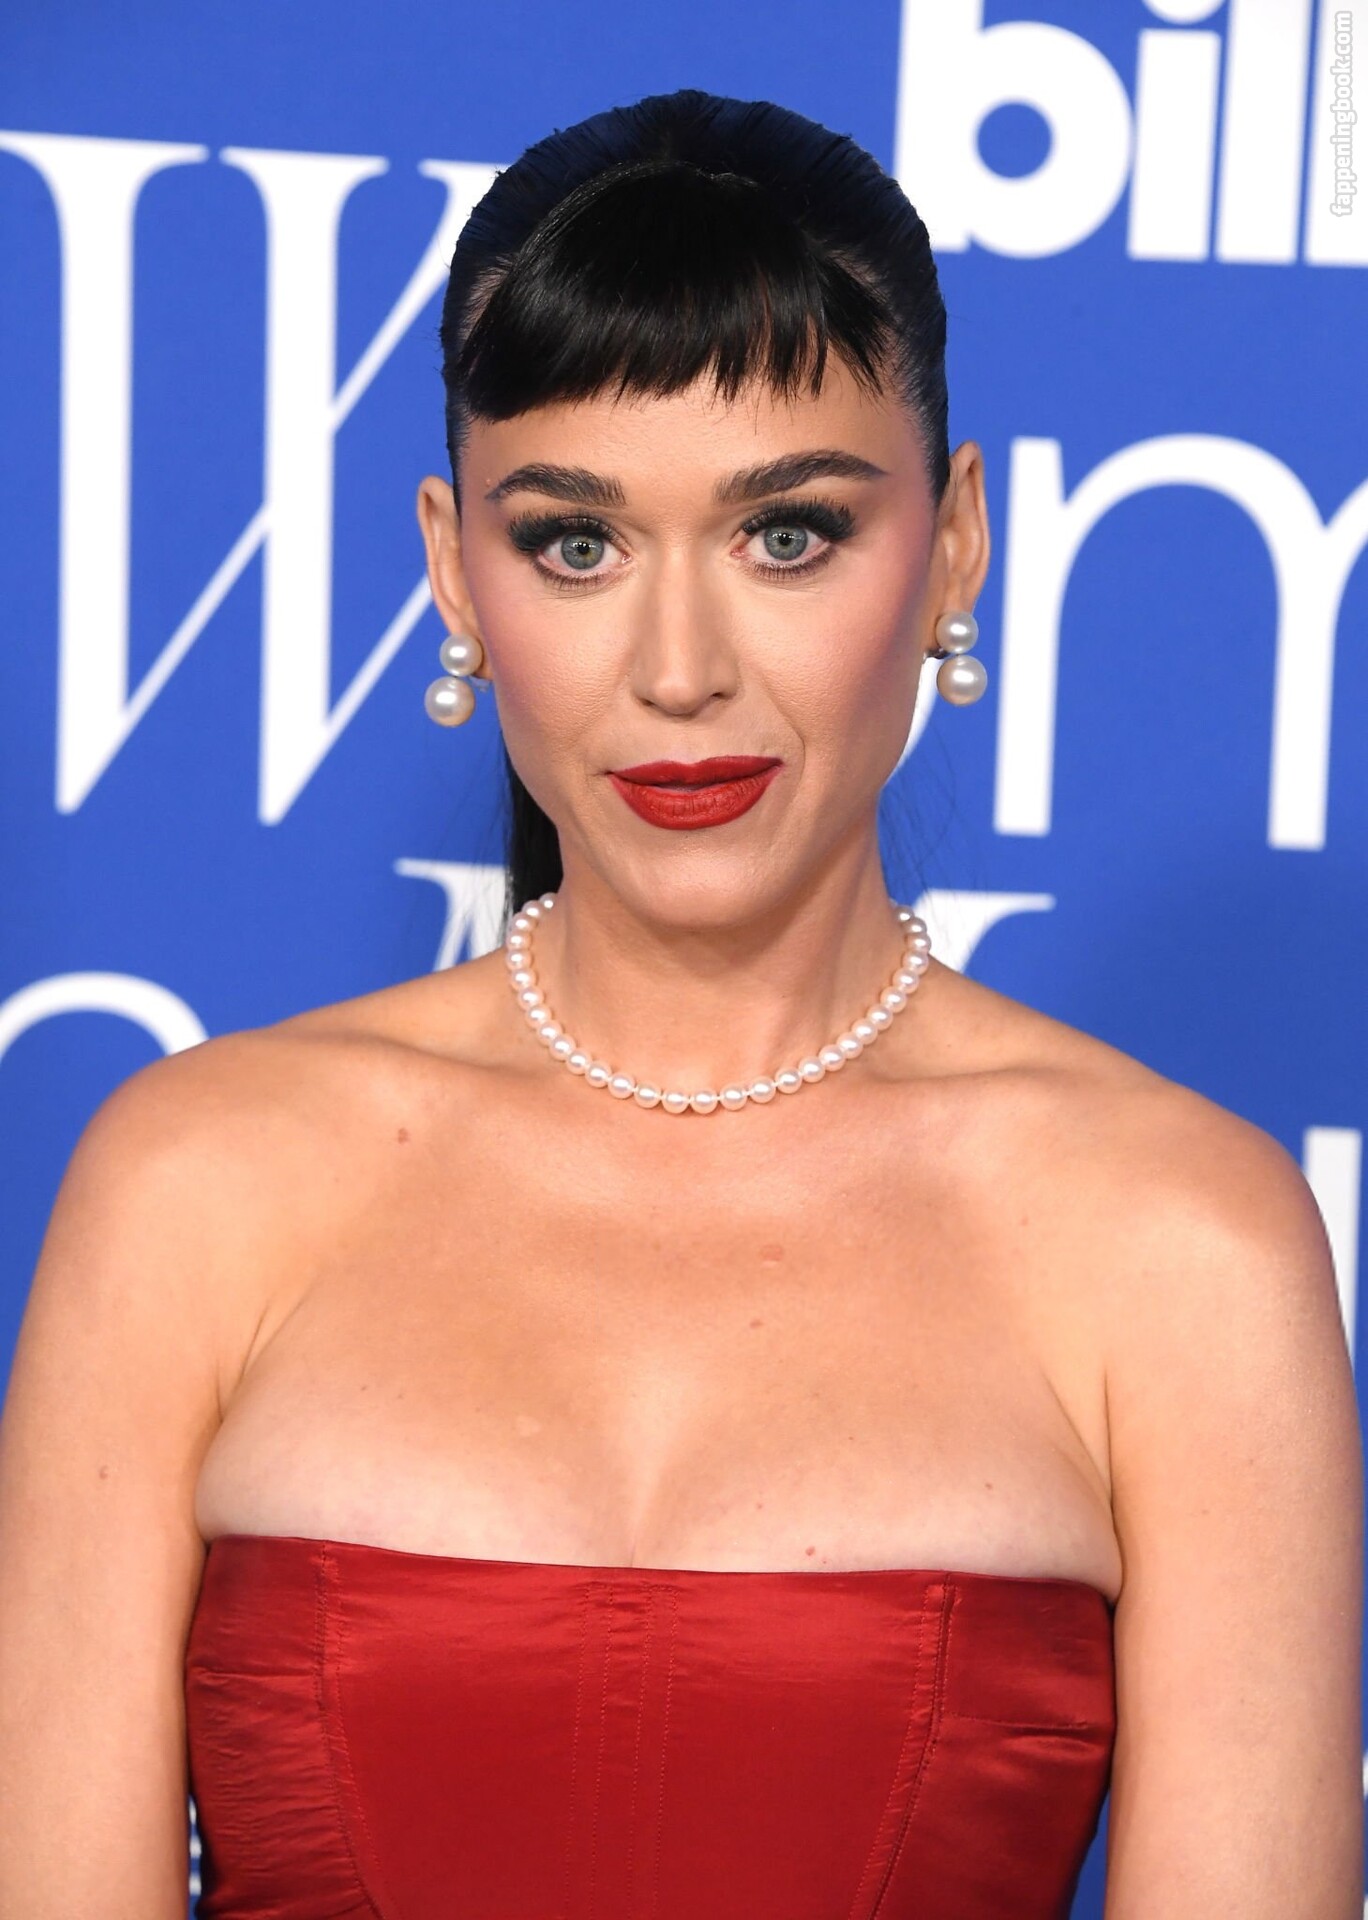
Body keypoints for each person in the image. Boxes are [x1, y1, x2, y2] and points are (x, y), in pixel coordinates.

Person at [0, 86, 1361, 1920]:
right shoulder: (195, 1185)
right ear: (452, 568)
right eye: (576, 543)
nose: (678, 669)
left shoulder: (1183, 1242)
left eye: (786, 533)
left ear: (955, 542)